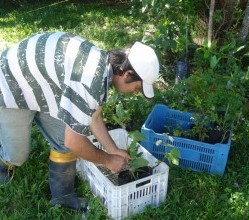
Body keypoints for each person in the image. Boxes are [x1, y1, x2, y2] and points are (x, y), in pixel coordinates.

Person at [0, 32, 159, 211]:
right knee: (17, 155)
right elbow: (74, 141)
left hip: (43, 86)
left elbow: (95, 117)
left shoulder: (102, 68)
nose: (136, 92)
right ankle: (3, 166)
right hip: (11, 83)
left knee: (62, 142)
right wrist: (107, 160)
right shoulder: (90, 79)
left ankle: (63, 197)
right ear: (127, 74)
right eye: (137, 88)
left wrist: (113, 150)